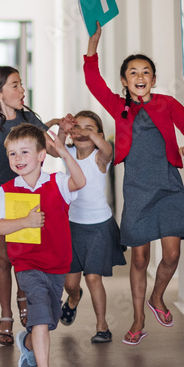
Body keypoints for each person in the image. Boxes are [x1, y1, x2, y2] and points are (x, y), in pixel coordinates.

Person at [83, 22, 184, 346]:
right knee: (139, 259)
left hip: (168, 186)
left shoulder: (166, 104)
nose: (140, 77)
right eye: (133, 72)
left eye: (146, 72)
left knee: (173, 254)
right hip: (136, 189)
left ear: (153, 78)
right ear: (124, 81)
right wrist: (93, 43)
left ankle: (158, 297)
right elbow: (93, 83)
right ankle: (138, 320)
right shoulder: (119, 108)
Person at [0, 66, 71, 346]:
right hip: (0, 195)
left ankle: (25, 299)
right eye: (15, 85)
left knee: (27, 256)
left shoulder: (29, 118)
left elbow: (55, 150)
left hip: (31, 195)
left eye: (21, 84)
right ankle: (6, 315)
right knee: (4, 259)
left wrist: (64, 134)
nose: (22, 90)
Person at [0, 124, 86, 367]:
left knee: (47, 318)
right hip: (27, 265)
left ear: (42, 155)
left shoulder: (57, 182)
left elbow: (80, 182)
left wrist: (64, 152)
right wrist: (25, 222)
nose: (17, 159)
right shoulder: (7, 190)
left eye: (24, 152)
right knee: (40, 313)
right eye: (12, 154)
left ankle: (28, 343)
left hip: (58, 266)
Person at [46, 110, 126, 343]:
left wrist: (89, 135)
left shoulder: (100, 157)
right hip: (71, 226)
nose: (81, 133)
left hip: (99, 227)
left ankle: (102, 326)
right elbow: (49, 143)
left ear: (99, 134)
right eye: (77, 128)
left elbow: (109, 149)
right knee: (70, 283)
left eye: (89, 129)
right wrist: (58, 126)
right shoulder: (68, 153)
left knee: (93, 278)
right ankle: (73, 298)